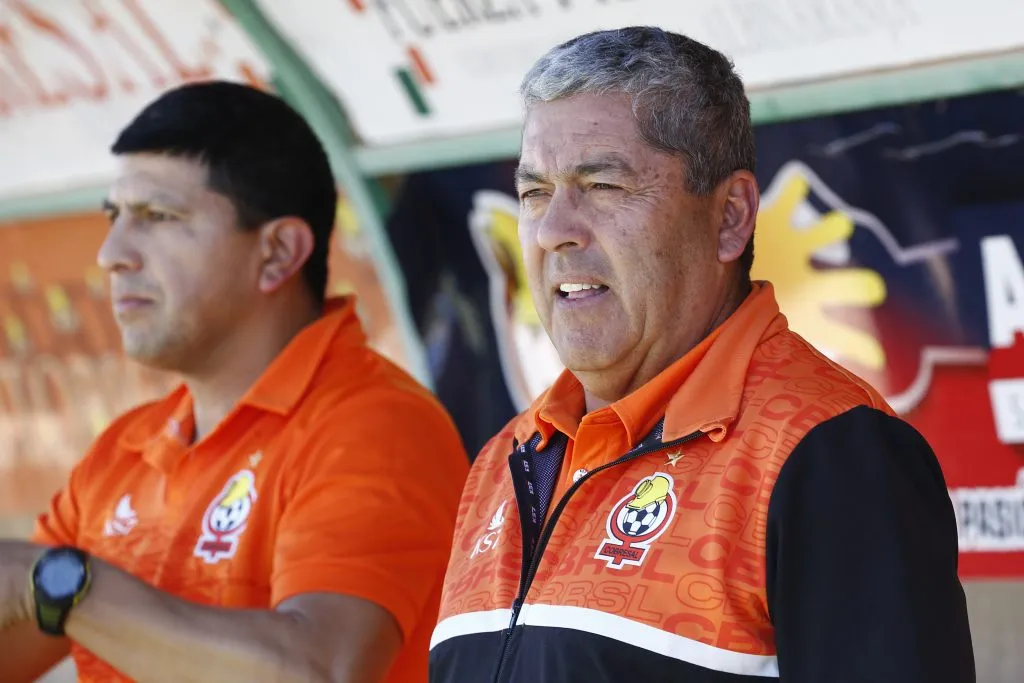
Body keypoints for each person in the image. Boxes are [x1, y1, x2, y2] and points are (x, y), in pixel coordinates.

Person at [428, 27, 975, 683]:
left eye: (601, 184)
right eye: (535, 192)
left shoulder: (826, 453)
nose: (552, 230)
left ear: (732, 216)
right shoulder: (504, 460)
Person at [0, 81, 469, 683]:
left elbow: (318, 670)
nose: (113, 253)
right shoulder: (125, 450)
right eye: (115, 216)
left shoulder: (374, 425)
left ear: (277, 253)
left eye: (158, 217)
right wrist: (46, 587)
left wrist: (62, 586)